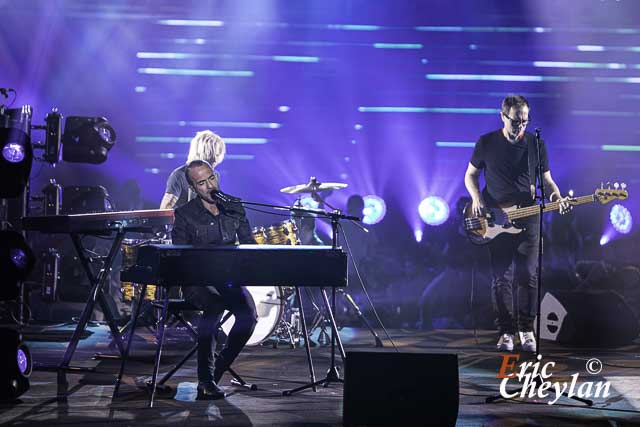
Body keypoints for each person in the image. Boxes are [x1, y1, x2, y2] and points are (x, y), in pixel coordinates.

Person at [464, 94, 571, 352]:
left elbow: (546, 179)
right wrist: (476, 196)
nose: (520, 126)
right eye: (515, 121)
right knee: (501, 277)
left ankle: (526, 330)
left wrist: (556, 195)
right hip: (494, 218)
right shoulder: (486, 142)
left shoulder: (536, 145)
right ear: (503, 116)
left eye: (524, 121)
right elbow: (470, 175)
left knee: (529, 275)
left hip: (529, 216)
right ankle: (506, 332)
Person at [172, 159, 257, 399]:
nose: (209, 186)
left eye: (211, 178)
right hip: (196, 281)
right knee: (214, 305)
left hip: (227, 279)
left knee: (248, 317)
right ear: (193, 187)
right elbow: (179, 255)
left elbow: (249, 245)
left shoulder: (235, 206)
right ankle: (205, 380)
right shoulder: (184, 214)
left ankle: (217, 370)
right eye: (201, 182)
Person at [160, 130, 226, 209]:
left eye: (219, 153)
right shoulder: (180, 174)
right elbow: (166, 208)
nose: (216, 158)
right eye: (214, 153)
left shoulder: (215, 175)